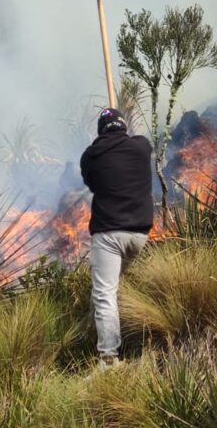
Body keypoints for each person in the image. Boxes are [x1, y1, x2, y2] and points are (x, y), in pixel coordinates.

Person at [80, 107, 154, 369]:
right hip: (139, 235)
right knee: (109, 289)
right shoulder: (142, 147)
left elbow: (92, 184)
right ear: (124, 127)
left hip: (109, 235)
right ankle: (92, 334)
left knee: (104, 293)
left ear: (100, 131)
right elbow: (139, 140)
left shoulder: (90, 157)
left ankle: (109, 360)